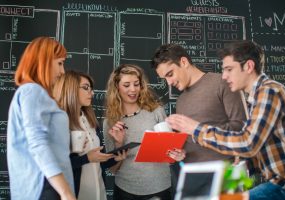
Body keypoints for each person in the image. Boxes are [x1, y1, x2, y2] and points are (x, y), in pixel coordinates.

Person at [165, 40, 285, 200]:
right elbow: (259, 147)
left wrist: (197, 129)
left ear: (248, 66)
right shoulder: (256, 97)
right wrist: (240, 164)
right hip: (279, 183)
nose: (224, 76)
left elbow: (248, 143)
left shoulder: (269, 91)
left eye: (229, 69)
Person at [150, 43, 246, 197]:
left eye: (170, 74)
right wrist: (180, 153)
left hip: (227, 172)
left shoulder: (222, 83)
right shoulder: (181, 101)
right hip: (192, 176)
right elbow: (189, 141)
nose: (169, 83)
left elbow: (241, 128)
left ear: (183, 62)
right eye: (164, 78)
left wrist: (197, 127)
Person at [6, 37, 75, 200]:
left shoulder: (34, 93)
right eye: (60, 63)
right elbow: (37, 143)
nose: (62, 71)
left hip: (47, 185)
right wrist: (65, 192)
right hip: (45, 186)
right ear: (44, 61)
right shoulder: (32, 91)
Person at [53, 70, 127, 200]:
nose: (92, 93)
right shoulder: (58, 121)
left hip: (99, 194)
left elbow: (96, 162)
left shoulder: (90, 121)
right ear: (70, 88)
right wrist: (86, 158)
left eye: (91, 89)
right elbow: (54, 166)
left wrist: (115, 156)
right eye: (86, 88)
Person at [103, 64, 171, 200]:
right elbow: (112, 169)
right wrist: (118, 144)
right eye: (126, 85)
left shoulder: (156, 111)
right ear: (117, 88)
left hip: (159, 188)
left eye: (136, 84)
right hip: (125, 191)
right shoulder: (110, 122)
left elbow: (170, 153)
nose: (133, 90)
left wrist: (166, 148)